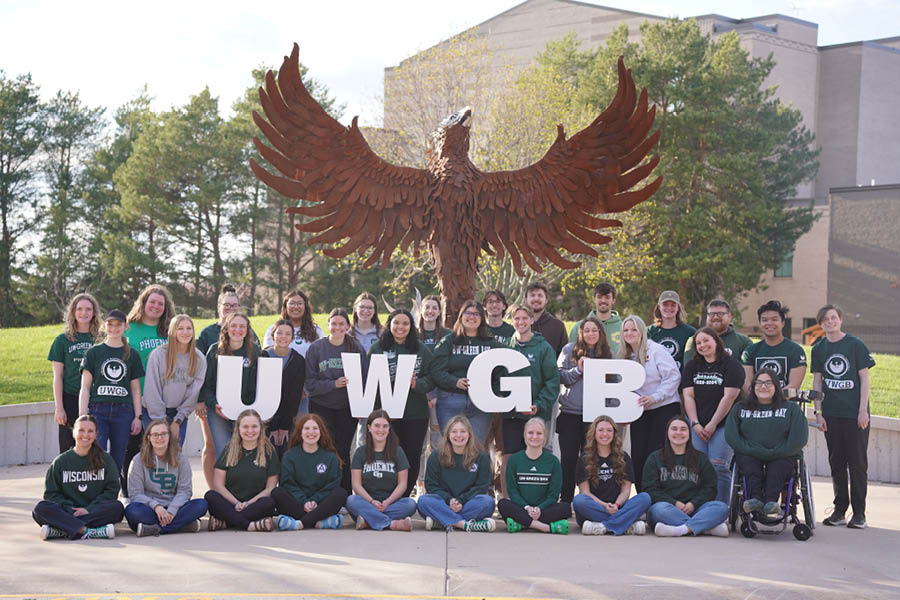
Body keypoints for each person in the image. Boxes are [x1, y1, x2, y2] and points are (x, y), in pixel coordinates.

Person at [811, 304, 876, 529]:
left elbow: (864, 380)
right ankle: (839, 510)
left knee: (857, 464)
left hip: (854, 415)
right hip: (831, 414)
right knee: (836, 463)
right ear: (820, 324)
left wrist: (862, 411)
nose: (830, 322)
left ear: (840, 320)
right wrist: (818, 412)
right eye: (825, 320)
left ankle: (859, 514)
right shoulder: (818, 349)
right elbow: (817, 381)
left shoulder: (855, 345)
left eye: (834, 318)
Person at [368, 308, 434, 495]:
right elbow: (368, 382)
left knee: (411, 455)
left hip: (415, 413)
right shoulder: (377, 349)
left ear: (411, 327)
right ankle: (384, 494)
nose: (400, 327)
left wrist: (417, 384)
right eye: (396, 322)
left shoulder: (421, 349)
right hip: (387, 415)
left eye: (405, 323)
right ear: (389, 325)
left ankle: (404, 495)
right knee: (387, 455)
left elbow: (431, 378)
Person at [725, 369, 808, 517]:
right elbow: (732, 436)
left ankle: (771, 503)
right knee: (749, 465)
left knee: (778, 467)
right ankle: (755, 500)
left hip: (782, 454)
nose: (763, 386)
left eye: (768, 383)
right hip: (749, 453)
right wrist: (752, 450)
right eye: (759, 383)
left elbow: (799, 439)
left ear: (777, 387)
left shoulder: (791, 408)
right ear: (753, 386)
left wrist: (775, 451)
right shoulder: (740, 408)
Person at [121, 284, 177, 494]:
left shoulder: (170, 330)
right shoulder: (129, 328)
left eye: (160, 304)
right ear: (143, 303)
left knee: (160, 448)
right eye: (152, 302)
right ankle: (128, 492)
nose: (155, 306)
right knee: (133, 447)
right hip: (134, 398)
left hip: (162, 400)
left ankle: (159, 492)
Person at [33, 415, 124, 540]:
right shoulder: (60, 462)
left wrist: (88, 509)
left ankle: (63, 530)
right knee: (40, 509)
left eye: (90, 431)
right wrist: (69, 509)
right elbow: (51, 494)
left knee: (117, 508)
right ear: (73, 432)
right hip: (67, 511)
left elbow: (112, 490)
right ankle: (89, 531)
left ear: (96, 434)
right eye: (81, 430)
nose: (85, 435)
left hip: (93, 511)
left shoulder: (105, 459)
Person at [305, 308, 367, 493]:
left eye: (342, 324)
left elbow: (364, 378)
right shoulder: (316, 348)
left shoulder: (356, 347)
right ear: (328, 325)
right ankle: (321, 490)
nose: (338, 327)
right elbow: (310, 383)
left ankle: (345, 492)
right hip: (321, 406)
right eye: (334, 323)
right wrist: (333, 384)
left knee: (343, 449)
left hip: (347, 407)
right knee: (323, 448)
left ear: (348, 326)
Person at [500, 304, 559, 494]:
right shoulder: (505, 348)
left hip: (536, 413)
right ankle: (508, 501)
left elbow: (552, 382)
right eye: (516, 318)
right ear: (511, 321)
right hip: (511, 414)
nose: (521, 322)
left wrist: (538, 405)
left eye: (525, 318)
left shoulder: (543, 348)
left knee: (538, 455)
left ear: (532, 320)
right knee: (509, 457)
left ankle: (541, 500)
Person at [618, 315, 681, 493]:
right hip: (640, 411)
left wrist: (656, 396)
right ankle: (643, 497)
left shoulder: (656, 350)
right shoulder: (624, 355)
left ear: (642, 331)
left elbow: (674, 377)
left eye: (633, 329)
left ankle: (661, 496)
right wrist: (625, 412)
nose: (629, 333)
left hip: (664, 408)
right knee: (638, 455)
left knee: (657, 454)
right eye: (626, 330)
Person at [682, 327, 745, 503]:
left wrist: (712, 424)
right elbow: (688, 396)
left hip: (723, 425)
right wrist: (695, 423)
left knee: (718, 466)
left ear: (716, 341)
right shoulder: (692, 366)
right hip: (697, 425)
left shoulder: (731, 365)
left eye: (706, 340)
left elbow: (729, 396)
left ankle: (720, 510)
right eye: (698, 343)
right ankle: (701, 507)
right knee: (698, 469)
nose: (702, 345)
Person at [78, 309, 144, 474]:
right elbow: (85, 387)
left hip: (124, 411)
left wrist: (138, 416)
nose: (114, 328)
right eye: (110, 324)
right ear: (103, 326)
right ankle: (97, 489)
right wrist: (83, 415)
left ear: (125, 327)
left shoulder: (132, 354)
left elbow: (136, 389)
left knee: (118, 455)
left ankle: (112, 492)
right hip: (98, 410)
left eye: (118, 325)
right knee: (97, 452)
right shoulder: (94, 352)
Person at [643, 415, 729, 537]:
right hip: (667, 509)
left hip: (696, 509)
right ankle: (705, 528)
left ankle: (681, 529)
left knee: (721, 507)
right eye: (674, 429)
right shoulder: (655, 458)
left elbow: (710, 488)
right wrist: (674, 503)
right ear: (667, 432)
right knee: (658, 510)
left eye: (683, 429)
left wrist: (693, 504)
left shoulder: (700, 458)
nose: (679, 433)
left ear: (689, 433)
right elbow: (650, 489)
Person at [557, 317, 612, 503]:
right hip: (570, 414)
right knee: (569, 459)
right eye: (586, 330)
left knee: (592, 460)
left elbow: (612, 383)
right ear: (580, 333)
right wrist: (578, 370)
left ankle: (592, 501)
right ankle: (565, 500)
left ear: (600, 333)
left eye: (594, 330)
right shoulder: (569, 350)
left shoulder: (607, 353)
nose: (590, 334)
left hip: (595, 417)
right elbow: (560, 376)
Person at [431, 301, 500, 447]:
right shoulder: (449, 341)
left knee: (476, 448)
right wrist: (454, 381)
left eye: (476, 314)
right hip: (451, 401)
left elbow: (499, 373)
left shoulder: (491, 343)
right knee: (451, 447)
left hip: (481, 404)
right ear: (461, 316)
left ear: (482, 318)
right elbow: (436, 371)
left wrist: (492, 393)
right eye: (468, 313)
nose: (472, 317)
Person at [125, 419, 209, 536]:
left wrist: (172, 510)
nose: (160, 438)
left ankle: (153, 528)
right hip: (150, 509)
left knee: (201, 504)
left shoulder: (181, 459)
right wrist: (156, 506)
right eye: (155, 435)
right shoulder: (138, 460)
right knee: (132, 510)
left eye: (164, 434)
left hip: (175, 507)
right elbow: (135, 494)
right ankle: (180, 526)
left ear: (169, 436)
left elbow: (185, 491)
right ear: (148, 438)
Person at [196, 284, 243, 487]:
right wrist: (200, 400)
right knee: (212, 445)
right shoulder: (208, 334)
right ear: (219, 307)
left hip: (241, 402)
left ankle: (233, 490)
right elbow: (198, 369)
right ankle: (214, 491)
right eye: (226, 305)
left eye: (234, 306)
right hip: (211, 401)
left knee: (238, 447)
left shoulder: (246, 333)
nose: (230, 309)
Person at [199, 312, 260, 467]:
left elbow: (258, 384)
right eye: (233, 326)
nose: (237, 330)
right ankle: (224, 489)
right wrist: (213, 404)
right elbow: (206, 384)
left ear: (247, 330)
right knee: (224, 451)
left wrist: (250, 409)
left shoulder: (254, 352)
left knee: (245, 451)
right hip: (218, 409)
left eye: (242, 326)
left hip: (245, 410)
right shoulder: (214, 351)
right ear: (226, 329)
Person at [573, 416, 651, 535]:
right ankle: (625, 524)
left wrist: (616, 505)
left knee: (645, 498)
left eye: (609, 430)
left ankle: (603, 527)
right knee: (579, 500)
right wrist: (605, 506)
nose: (605, 434)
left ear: (614, 434)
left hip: (618, 506)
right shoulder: (584, 458)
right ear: (594, 433)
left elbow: (626, 490)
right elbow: (585, 493)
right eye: (601, 430)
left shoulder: (624, 457)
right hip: (593, 510)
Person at [205, 409, 279, 531]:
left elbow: (270, 488)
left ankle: (227, 523)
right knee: (211, 496)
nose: (250, 431)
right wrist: (237, 503)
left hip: (255, 505)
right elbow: (218, 484)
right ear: (238, 429)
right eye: (245, 427)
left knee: (269, 502)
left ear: (261, 428)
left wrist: (248, 504)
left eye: (254, 426)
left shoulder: (269, 452)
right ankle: (250, 525)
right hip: (231, 504)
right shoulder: (229, 450)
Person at [418, 415, 496, 532]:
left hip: (467, 503)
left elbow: (481, 486)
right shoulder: (436, 456)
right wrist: (449, 500)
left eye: (463, 431)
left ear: (469, 434)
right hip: (444, 503)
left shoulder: (481, 457)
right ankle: (464, 524)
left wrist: (460, 500)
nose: (458, 435)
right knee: (424, 501)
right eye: (454, 431)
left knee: (487, 502)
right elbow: (431, 486)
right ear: (448, 435)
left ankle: (441, 521)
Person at [272, 413, 349, 530]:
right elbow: (287, 484)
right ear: (300, 432)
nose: (311, 432)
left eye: (315, 428)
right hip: (297, 503)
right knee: (277, 492)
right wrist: (304, 502)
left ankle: (300, 523)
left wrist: (315, 500)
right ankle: (319, 522)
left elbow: (332, 485)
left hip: (321, 503)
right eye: (306, 428)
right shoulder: (289, 456)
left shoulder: (330, 457)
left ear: (321, 432)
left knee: (341, 493)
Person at [346, 410, 418, 531]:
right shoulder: (360, 452)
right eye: (377, 425)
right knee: (351, 500)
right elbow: (356, 485)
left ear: (389, 428)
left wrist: (388, 502)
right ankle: (391, 524)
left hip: (390, 504)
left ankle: (368, 522)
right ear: (369, 427)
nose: (381, 430)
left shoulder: (397, 451)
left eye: (385, 426)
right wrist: (372, 501)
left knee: (410, 504)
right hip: (367, 503)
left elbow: (402, 484)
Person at [142, 314, 207, 447]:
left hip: (179, 413)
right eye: (180, 328)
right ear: (172, 331)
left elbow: (193, 393)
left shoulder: (199, 358)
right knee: (156, 454)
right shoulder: (158, 355)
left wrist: (177, 420)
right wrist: (161, 422)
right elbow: (152, 390)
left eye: (189, 328)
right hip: (153, 412)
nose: (185, 332)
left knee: (175, 455)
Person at [49, 292, 101, 454]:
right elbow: (57, 376)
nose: (84, 313)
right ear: (73, 312)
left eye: (88, 309)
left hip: (97, 399)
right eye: (79, 309)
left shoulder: (101, 338)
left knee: (95, 447)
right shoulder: (62, 340)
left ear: (94, 313)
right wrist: (59, 408)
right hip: (70, 397)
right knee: (68, 447)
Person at [498, 417, 569, 534]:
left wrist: (539, 509)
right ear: (524, 435)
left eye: (539, 433)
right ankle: (545, 527)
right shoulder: (514, 460)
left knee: (565, 508)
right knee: (503, 504)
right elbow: (513, 492)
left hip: (544, 509)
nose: (534, 437)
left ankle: (522, 524)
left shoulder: (553, 461)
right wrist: (527, 507)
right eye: (530, 433)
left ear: (545, 437)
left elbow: (553, 495)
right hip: (522, 507)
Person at [741, 300, 807, 395]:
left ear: (783, 323)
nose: (769, 323)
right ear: (760, 323)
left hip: (786, 407)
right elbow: (747, 385)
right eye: (764, 320)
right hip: (757, 406)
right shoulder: (750, 351)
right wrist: (762, 399)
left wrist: (770, 399)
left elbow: (794, 387)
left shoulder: (796, 350)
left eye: (774, 319)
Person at [416, 295, 447, 494]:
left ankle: (434, 484)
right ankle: (419, 484)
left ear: (439, 312)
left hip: (438, 396)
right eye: (426, 307)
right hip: (416, 395)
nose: (430, 311)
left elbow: (445, 366)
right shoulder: (412, 335)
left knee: (436, 442)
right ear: (421, 310)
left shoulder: (446, 335)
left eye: (434, 308)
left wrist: (435, 393)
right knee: (418, 443)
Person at [264, 318, 307, 456]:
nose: (283, 337)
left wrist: (283, 427)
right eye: (279, 333)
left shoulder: (298, 360)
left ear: (292, 337)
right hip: (265, 419)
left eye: (288, 334)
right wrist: (272, 426)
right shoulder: (262, 357)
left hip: (288, 419)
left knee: (286, 453)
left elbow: (295, 396)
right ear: (273, 335)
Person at [684, 299, 752, 363]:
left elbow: (748, 370)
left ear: (729, 316)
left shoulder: (744, 342)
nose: (715, 317)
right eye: (711, 314)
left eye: (720, 314)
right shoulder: (695, 341)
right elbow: (689, 370)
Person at [262, 289, 323, 358]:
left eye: (300, 303)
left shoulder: (316, 330)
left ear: (305, 307)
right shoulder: (273, 329)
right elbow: (267, 356)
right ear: (285, 306)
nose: (296, 307)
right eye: (292, 303)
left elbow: (322, 356)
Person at [568, 282, 623, 355]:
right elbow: (571, 355)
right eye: (599, 297)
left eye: (607, 297)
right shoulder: (579, 327)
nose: (603, 300)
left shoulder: (623, 328)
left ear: (613, 300)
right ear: (594, 299)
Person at [648, 290, 696, 370]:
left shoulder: (690, 332)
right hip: (656, 380)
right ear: (659, 307)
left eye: (673, 305)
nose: (669, 308)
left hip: (682, 379)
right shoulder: (649, 332)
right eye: (665, 305)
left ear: (678, 307)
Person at [525, 281, 566, 355]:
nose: (536, 299)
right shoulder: (519, 325)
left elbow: (563, 357)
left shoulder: (558, 326)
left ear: (546, 300)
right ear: (526, 299)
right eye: (532, 295)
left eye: (540, 295)